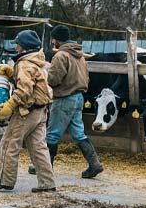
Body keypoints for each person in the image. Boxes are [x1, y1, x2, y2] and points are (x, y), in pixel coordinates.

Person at [31, 24, 103, 178]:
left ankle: (44, 167)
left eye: (53, 39)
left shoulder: (61, 56)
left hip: (64, 98)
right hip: (78, 97)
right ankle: (95, 164)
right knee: (78, 133)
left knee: (52, 134)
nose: (52, 42)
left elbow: (54, 79)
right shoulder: (80, 55)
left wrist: (46, 72)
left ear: (57, 39)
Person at [0, 30, 55, 192]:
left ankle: (6, 180)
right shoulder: (38, 61)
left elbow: (24, 90)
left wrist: (10, 104)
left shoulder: (25, 64)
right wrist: (12, 73)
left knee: (9, 143)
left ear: (24, 46)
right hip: (41, 112)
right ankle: (47, 183)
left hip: (26, 111)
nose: (16, 47)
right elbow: (31, 82)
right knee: (39, 148)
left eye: (17, 44)